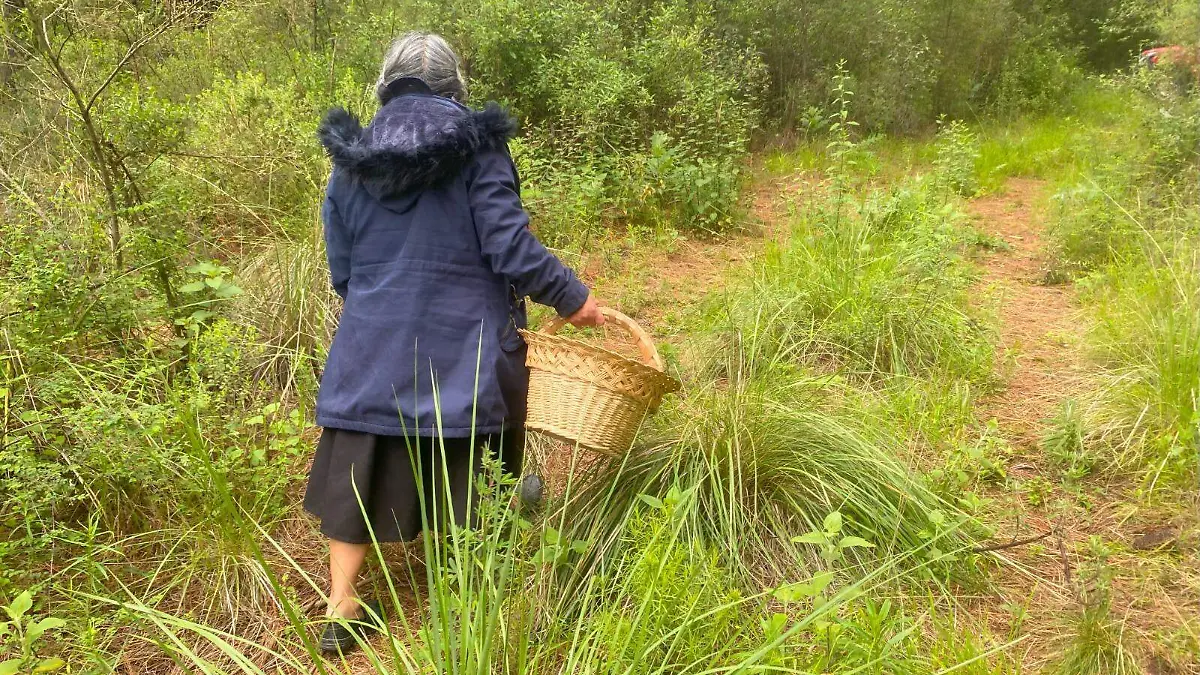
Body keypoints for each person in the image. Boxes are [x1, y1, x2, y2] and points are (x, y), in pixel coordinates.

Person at [303, 32, 604, 653]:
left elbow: (341, 267)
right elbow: (509, 246)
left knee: (363, 445)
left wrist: (378, 309)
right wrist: (573, 298)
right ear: (453, 86)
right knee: (476, 435)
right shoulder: (479, 149)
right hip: (463, 345)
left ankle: (342, 606)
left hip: (371, 342)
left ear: (387, 83)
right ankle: (472, 590)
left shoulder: (352, 156)